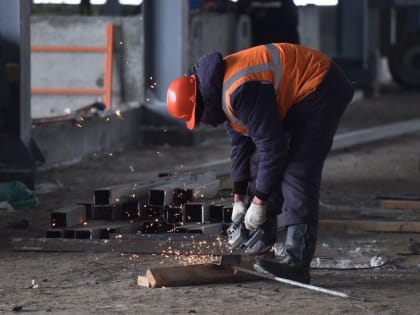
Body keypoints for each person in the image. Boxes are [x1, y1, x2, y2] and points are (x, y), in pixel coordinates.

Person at [166, 43, 354, 283]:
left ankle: (298, 263)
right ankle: (264, 235)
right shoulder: (218, 91)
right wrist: (238, 201)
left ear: (201, 104)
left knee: (297, 169)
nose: (202, 123)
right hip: (301, 93)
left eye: (197, 118)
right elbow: (241, 148)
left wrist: (259, 201)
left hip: (321, 87)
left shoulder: (239, 90)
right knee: (260, 161)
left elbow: (274, 149)